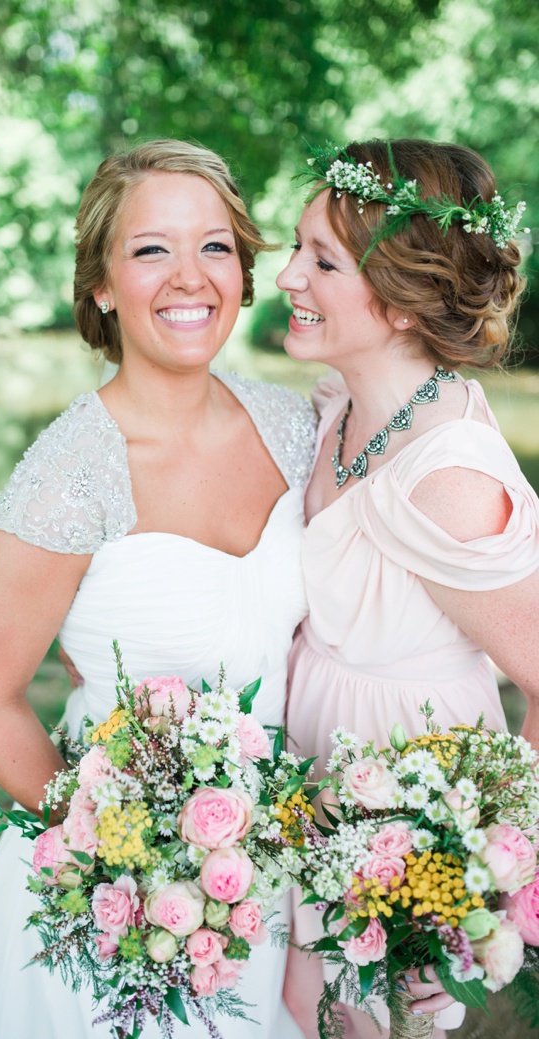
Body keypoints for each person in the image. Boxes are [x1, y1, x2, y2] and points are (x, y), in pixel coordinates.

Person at [0, 139, 316, 1039]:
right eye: (152, 249)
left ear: (244, 270)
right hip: (125, 908)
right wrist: (117, 859)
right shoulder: (68, 475)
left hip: (269, 875)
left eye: (216, 246)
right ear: (104, 285)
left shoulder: (295, 424)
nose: (189, 277)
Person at [277, 139, 539, 1036]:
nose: (285, 277)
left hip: (398, 824)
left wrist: (485, 880)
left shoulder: (449, 482)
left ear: (396, 297)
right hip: (307, 764)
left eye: (320, 259)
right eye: (294, 247)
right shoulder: (342, 407)